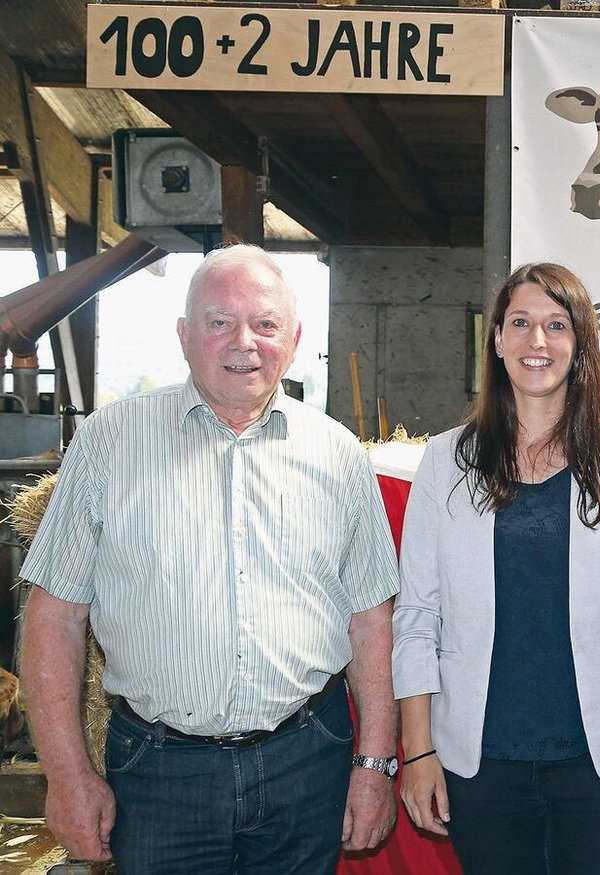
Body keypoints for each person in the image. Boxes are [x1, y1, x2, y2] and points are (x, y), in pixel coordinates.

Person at [21, 244, 401, 872]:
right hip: (158, 772)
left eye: (265, 323)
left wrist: (375, 765)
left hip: (308, 760)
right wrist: (66, 777)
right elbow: (54, 616)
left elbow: (371, 621)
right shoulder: (109, 443)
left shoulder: (337, 454)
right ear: (184, 335)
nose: (243, 342)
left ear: (294, 339)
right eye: (220, 321)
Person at [392, 263, 600, 875]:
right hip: (479, 761)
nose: (537, 341)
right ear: (497, 339)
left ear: (580, 344)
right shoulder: (446, 461)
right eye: (521, 323)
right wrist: (417, 750)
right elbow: (417, 616)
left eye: (556, 325)